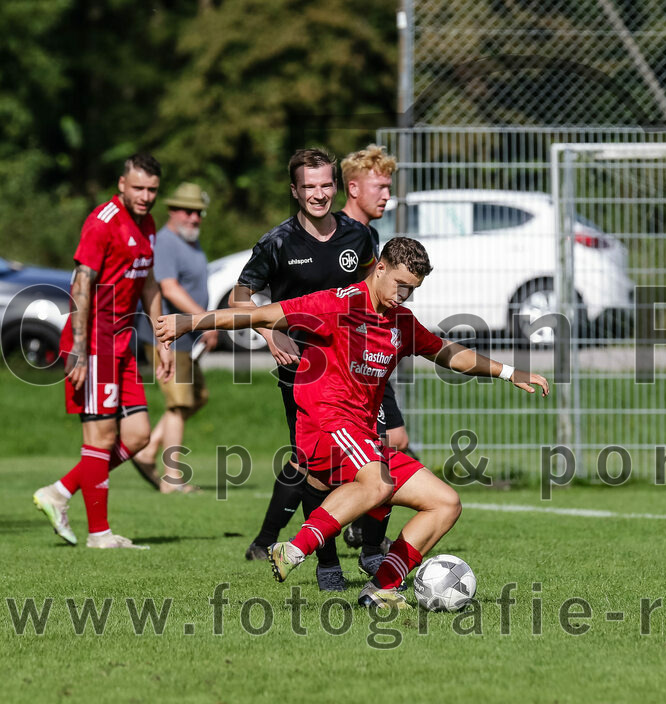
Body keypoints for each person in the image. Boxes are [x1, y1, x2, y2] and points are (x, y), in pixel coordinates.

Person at [156, 237, 549, 608]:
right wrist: (189, 323)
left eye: (411, 289)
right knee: (378, 483)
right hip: (324, 423)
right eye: (399, 284)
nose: (402, 295)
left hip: (361, 435)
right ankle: (294, 548)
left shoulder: (400, 321)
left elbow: (446, 351)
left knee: (445, 503)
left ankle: (380, 589)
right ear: (380, 268)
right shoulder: (334, 305)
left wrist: (507, 371)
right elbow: (257, 314)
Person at [230, 145, 398, 591]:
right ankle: (327, 565)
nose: (319, 194)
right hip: (305, 372)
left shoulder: (358, 236)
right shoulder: (278, 242)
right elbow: (240, 297)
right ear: (294, 190)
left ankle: (372, 551)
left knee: (382, 451)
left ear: (336, 186)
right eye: (309, 187)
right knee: (314, 468)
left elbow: (373, 287)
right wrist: (270, 332)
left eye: (326, 184)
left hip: (359, 370)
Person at [32, 154, 174, 549]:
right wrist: (78, 349)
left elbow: (149, 284)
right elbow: (81, 285)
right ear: (122, 184)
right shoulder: (102, 222)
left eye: (152, 190)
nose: (145, 196)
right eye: (138, 188)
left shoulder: (147, 224)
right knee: (101, 437)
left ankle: (60, 491)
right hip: (94, 346)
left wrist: (162, 339)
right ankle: (99, 534)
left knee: (139, 435)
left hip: (123, 345)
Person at [131, 182, 217, 493]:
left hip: (186, 338)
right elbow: (168, 288)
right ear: (172, 211)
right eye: (187, 211)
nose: (193, 217)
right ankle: (172, 478)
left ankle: (147, 451)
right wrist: (206, 321)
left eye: (198, 212)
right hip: (167, 337)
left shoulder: (191, 241)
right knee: (179, 404)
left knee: (197, 398)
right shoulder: (166, 242)